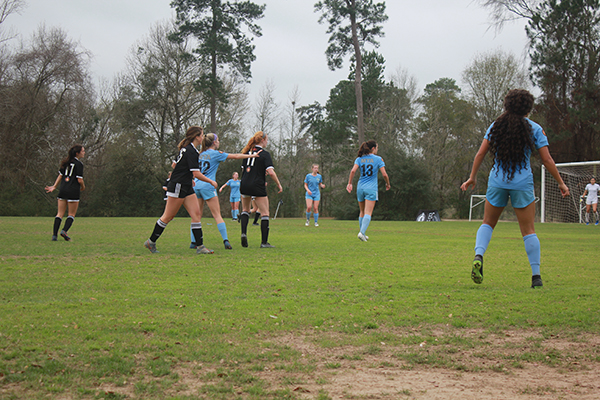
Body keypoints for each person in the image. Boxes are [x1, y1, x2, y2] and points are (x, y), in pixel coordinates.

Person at [461, 89, 569, 288]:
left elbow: (479, 155)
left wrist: (472, 178)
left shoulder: (496, 126)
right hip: (522, 183)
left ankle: (479, 255)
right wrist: (561, 183)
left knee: (487, 223)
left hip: (497, 181)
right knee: (528, 230)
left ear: (506, 105)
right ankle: (536, 277)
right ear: (528, 108)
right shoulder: (535, 128)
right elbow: (547, 159)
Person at [144, 126, 218, 255]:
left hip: (186, 186)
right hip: (178, 186)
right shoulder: (191, 151)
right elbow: (196, 173)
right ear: (196, 137)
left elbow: (175, 165)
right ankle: (151, 241)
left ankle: (200, 246)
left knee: (196, 215)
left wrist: (188, 178)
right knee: (168, 216)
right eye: (201, 135)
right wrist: (211, 181)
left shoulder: (188, 149)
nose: (203, 137)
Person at [191, 133, 259, 249]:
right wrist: (251, 156)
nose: (219, 142)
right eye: (218, 140)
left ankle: (193, 242)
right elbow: (236, 156)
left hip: (196, 186)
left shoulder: (200, 154)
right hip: (208, 186)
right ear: (214, 142)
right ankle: (226, 240)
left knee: (197, 216)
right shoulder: (216, 154)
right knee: (217, 215)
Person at [239, 131, 283, 248]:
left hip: (244, 183)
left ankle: (243, 233)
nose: (267, 141)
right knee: (265, 213)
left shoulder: (247, 152)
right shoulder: (264, 154)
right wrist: (278, 184)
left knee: (245, 209)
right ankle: (264, 242)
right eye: (266, 139)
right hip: (257, 185)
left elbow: (245, 170)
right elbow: (271, 172)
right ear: (262, 140)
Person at [346, 140, 390, 241]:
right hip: (371, 188)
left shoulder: (359, 158)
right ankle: (361, 233)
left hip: (360, 187)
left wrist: (350, 183)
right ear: (373, 148)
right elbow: (384, 174)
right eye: (377, 148)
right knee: (368, 212)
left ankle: (363, 233)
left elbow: (353, 171)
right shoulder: (378, 159)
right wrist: (387, 183)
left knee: (362, 211)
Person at [45, 145, 86, 241]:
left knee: (59, 214)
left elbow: (60, 175)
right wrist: (83, 187)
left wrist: (55, 186)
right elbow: (79, 180)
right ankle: (64, 231)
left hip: (63, 189)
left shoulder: (65, 162)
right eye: (83, 151)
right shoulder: (79, 164)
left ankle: (54, 235)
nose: (84, 153)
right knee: (71, 214)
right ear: (77, 153)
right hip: (73, 191)